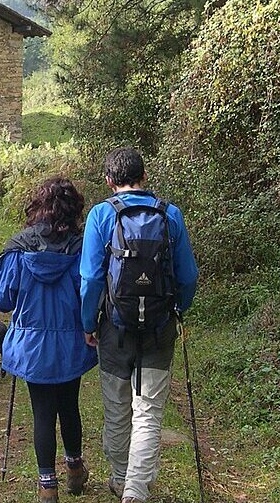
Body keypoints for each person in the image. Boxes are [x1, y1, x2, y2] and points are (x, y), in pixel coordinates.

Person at [80, 148, 199, 503]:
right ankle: (135, 491)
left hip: (114, 329)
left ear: (109, 180)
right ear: (144, 177)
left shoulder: (101, 215)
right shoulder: (170, 214)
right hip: (160, 327)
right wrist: (178, 310)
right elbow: (189, 276)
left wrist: (89, 323)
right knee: (148, 411)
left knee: (117, 408)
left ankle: (120, 478)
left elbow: (89, 279)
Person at [0, 177, 97, 503]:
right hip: (71, 344)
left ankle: (47, 486)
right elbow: (91, 290)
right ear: (74, 208)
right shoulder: (81, 248)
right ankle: (75, 470)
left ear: (39, 206)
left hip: (32, 347)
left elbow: (1, 299)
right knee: (70, 406)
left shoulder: (18, 248)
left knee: (42, 413)